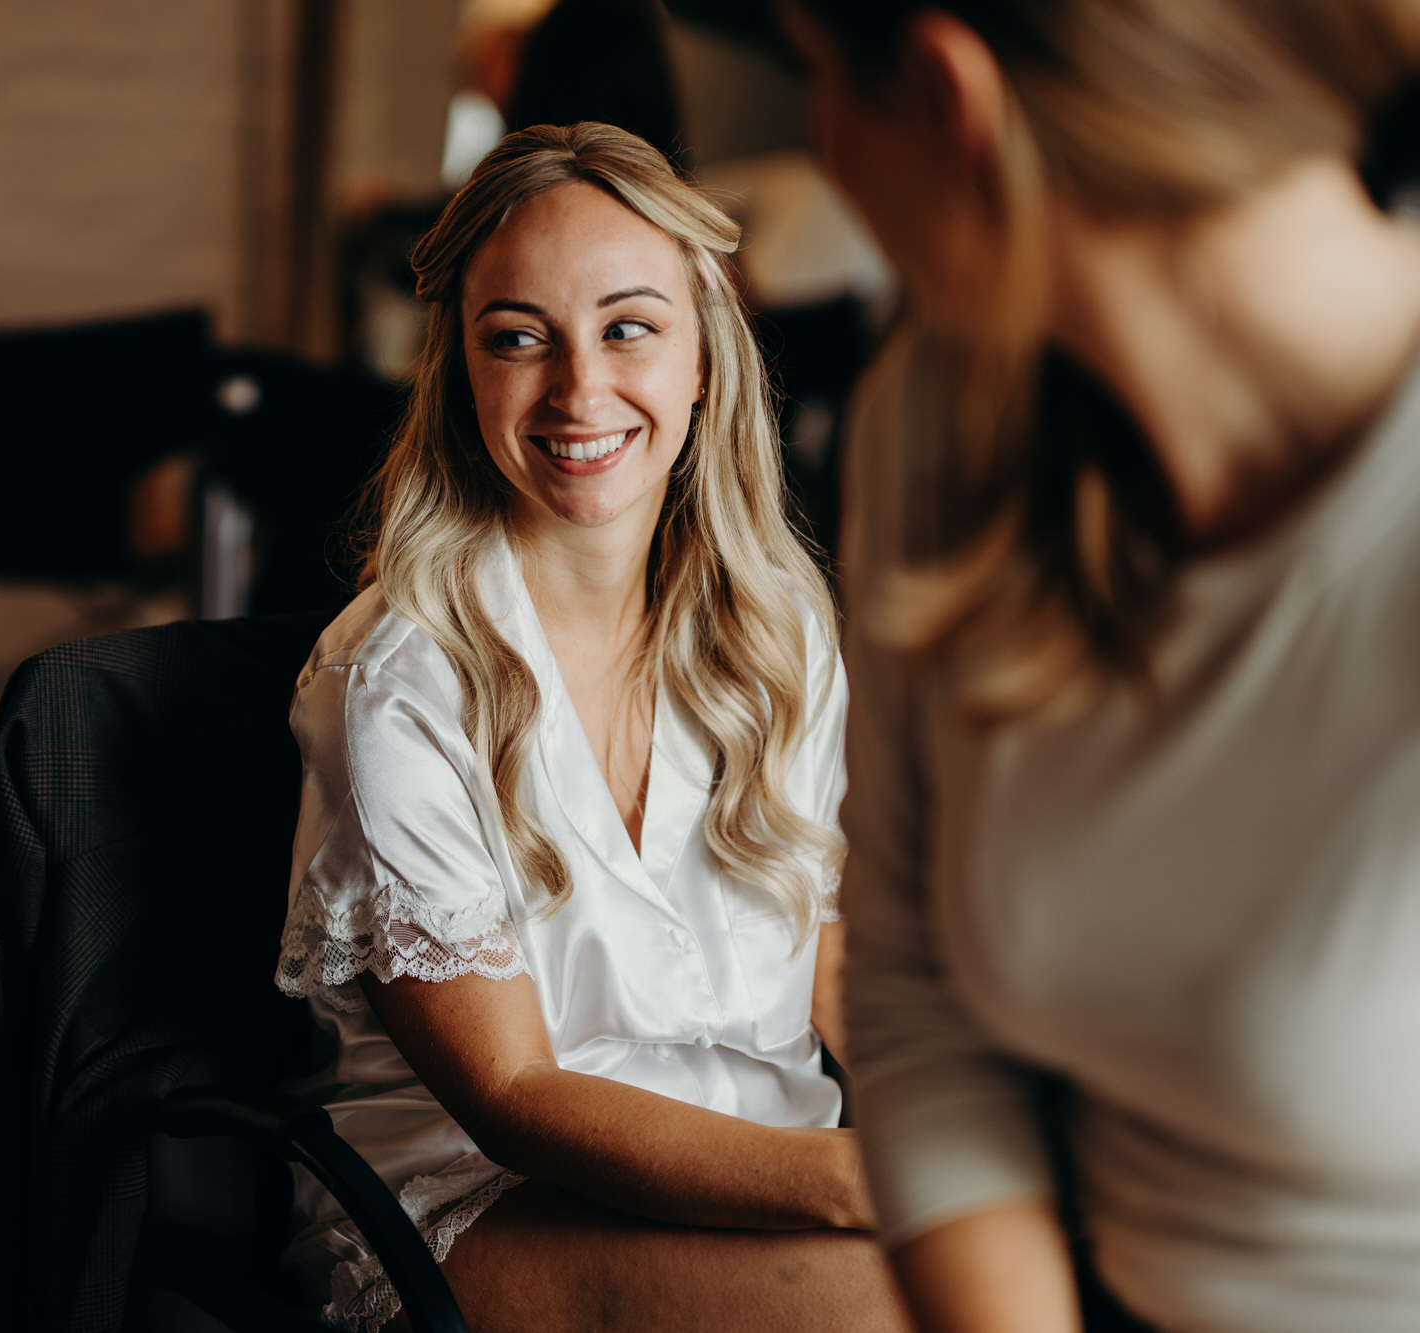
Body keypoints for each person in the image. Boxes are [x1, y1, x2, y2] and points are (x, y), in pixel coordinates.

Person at [779, 2, 1420, 1330]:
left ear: (957, 102)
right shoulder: (939, 430)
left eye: (818, 75)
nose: (822, 146)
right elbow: (916, 1005)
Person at [272, 123, 910, 1333]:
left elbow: (824, 952)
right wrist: (853, 1184)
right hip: (477, 1206)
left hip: (764, 1174)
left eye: (628, 327)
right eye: (518, 338)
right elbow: (510, 1092)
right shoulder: (395, 681)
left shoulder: (775, 626)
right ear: (461, 372)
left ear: (702, 359)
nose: (577, 389)